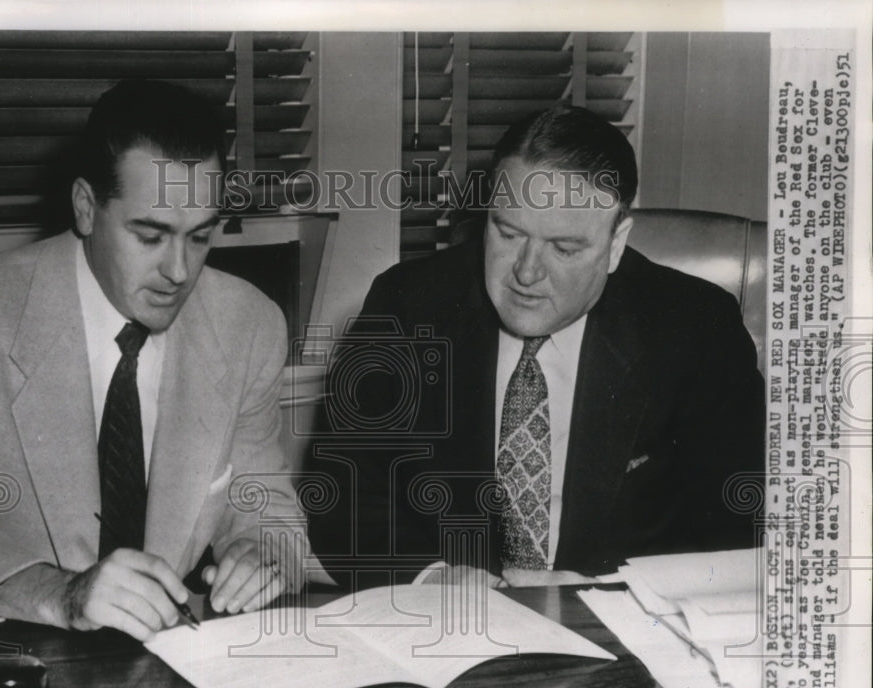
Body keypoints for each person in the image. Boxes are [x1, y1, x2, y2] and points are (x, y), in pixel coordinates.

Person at [0, 79, 328, 641]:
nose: (178, 271)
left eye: (199, 237)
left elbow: (266, 505)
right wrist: (62, 594)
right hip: (9, 649)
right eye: (151, 235)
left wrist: (261, 553)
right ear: (86, 208)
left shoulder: (248, 324)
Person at [305, 105, 765, 590]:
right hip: (456, 626)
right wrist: (432, 579)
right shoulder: (407, 306)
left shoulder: (694, 328)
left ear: (615, 244)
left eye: (564, 249)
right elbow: (341, 496)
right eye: (508, 233)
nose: (525, 272)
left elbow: (741, 530)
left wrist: (606, 590)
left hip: (625, 631)